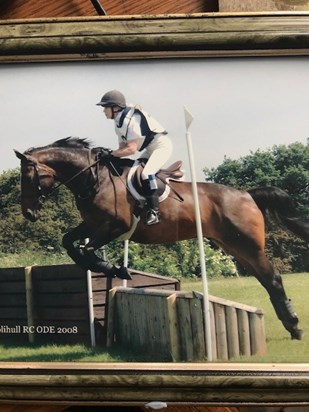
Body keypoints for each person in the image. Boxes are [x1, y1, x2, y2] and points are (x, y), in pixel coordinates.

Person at [96, 89, 173, 225]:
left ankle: (155, 211)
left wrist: (111, 154)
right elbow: (122, 149)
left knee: (146, 173)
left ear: (115, 108)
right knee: (133, 172)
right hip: (150, 149)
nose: (103, 111)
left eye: (105, 108)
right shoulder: (118, 122)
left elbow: (131, 149)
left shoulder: (130, 121)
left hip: (161, 147)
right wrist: (109, 155)